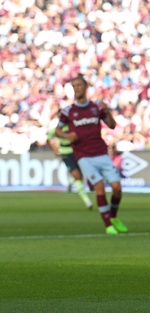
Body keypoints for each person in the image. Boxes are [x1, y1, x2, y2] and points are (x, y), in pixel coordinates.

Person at [55, 75, 128, 235]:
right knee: (99, 187)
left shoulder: (96, 107)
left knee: (117, 187)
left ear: (86, 87)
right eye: (74, 86)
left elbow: (112, 125)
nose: (77, 88)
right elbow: (57, 130)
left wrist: (107, 111)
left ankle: (113, 217)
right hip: (83, 156)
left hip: (101, 152)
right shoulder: (68, 111)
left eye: (79, 85)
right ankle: (108, 226)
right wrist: (68, 137)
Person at [47, 124, 93, 210]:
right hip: (66, 154)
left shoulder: (75, 126)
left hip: (77, 153)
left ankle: (71, 183)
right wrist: (55, 150)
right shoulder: (57, 129)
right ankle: (87, 201)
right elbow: (49, 137)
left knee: (80, 175)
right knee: (77, 175)